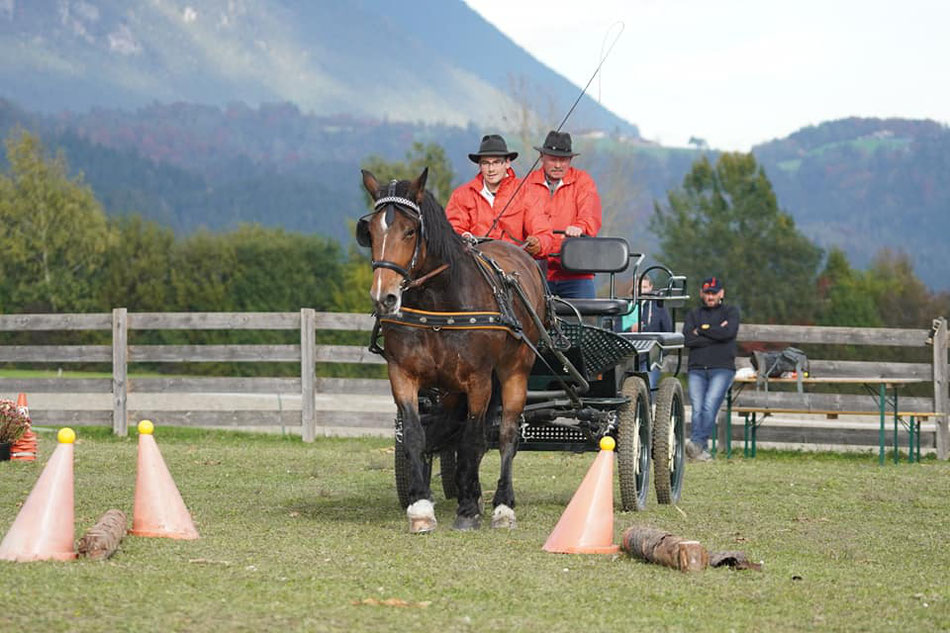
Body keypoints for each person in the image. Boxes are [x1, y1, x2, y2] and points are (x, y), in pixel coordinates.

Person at [521, 130, 602, 297]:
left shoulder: (582, 181)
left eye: (563, 160)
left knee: (585, 318)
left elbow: (590, 213)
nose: (558, 165)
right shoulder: (527, 183)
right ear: (542, 158)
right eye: (553, 159)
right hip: (537, 270)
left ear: (570, 160)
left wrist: (580, 227)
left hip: (576, 270)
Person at [445, 134, 552, 257]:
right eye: (486, 163)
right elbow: (452, 230)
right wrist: (464, 236)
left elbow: (543, 232)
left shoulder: (526, 192)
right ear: (480, 166)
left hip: (514, 262)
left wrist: (538, 243)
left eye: (496, 162)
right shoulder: (462, 195)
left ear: (507, 163)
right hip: (475, 262)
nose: (491, 169)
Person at [683, 276, 740, 461]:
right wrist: (717, 331)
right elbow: (688, 339)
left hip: (722, 368)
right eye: (707, 293)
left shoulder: (731, 311)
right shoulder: (693, 313)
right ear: (701, 293)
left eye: (713, 293)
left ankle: (696, 444)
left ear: (721, 293)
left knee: (709, 406)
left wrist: (701, 330)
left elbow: (729, 332)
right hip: (697, 368)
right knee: (697, 408)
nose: (710, 297)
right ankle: (700, 451)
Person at [626, 276, 673, 389]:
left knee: (648, 386)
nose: (641, 290)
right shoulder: (626, 306)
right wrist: (630, 330)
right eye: (638, 286)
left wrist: (658, 354)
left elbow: (668, 333)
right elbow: (616, 329)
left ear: (651, 287)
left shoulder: (658, 307)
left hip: (650, 357)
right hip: (628, 355)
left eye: (644, 287)